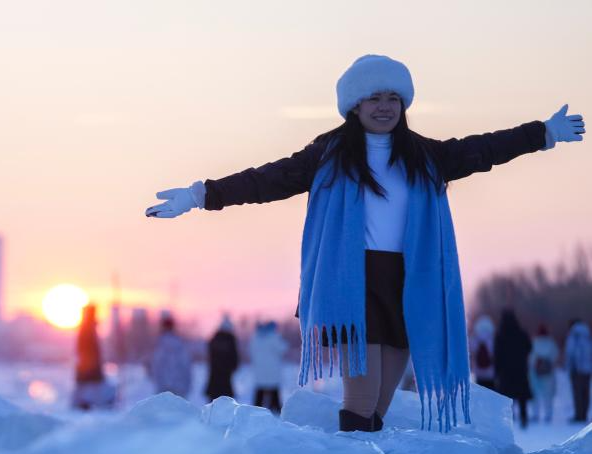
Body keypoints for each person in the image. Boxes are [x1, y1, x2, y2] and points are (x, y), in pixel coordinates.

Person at [146, 54, 584, 432]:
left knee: (377, 408)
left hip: (410, 286)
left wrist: (541, 134)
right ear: (354, 105)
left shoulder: (423, 155)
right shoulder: (330, 154)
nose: (385, 106)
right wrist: (202, 194)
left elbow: (482, 148)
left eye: (393, 98)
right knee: (360, 400)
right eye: (375, 97)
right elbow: (270, 179)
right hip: (351, 284)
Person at [494, 309, 533, 429]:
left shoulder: (500, 335)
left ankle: (509, 419)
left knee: (507, 396)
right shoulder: (522, 333)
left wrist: (497, 371)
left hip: (506, 371)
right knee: (522, 396)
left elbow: (496, 354)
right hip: (520, 369)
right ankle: (524, 417)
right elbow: (529, 347)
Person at [71, 304, 115, 410]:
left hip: (88, 363)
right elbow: (86, 348)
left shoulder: (87, 327)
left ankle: (85, 402)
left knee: (89, 385)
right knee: (90, 385)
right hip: (88, 364)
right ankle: (86, 403)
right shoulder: (87, 328)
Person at [149, 312, 192, 398]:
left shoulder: (159, 345)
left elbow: (155, 368)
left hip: (163, 389)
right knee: (179, 411)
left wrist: (158, 384)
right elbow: (186, 366)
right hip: (179, 388)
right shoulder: (180, 344)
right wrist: (187, 386)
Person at [249, 320, 287, 414]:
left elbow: (250, 352)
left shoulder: (255, 338)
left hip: (260, 371)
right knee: (274, 392)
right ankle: (276, 410)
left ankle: (255, 411)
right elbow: (283, 348)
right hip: (272, 371)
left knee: (260, 393)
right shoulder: (274, 337)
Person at [528, 324, 559, 423]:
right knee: (548, 395)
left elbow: (531, 359)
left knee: (535, 394)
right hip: (548, 372)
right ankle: (548, 414)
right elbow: (555, 356)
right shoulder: (551, 343)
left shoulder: (534, 342)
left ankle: (536, 414)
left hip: (536, 373)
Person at [204, 315, 239, 401]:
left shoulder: (214, 339)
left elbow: (210, 354)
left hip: (214, 375)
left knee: (213, 400)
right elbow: (234, 356)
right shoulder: (230, 339)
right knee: (226, 401)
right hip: (226, 375)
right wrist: (234, 366)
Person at [565, 318, 591, 423]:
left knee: (577, 393)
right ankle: (584, 414)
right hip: (587, 368)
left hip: (576, 368)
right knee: (585, 392)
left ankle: (578, 415)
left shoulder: (573, 334)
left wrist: (569, 366)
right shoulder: (587, 334)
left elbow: (570, 351)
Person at [469, 315, 497, 390]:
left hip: (479, 373)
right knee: (491, 394)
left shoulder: (474, 340)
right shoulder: (493, 340)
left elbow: (471, 354)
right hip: (491, 373)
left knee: (482, 394)